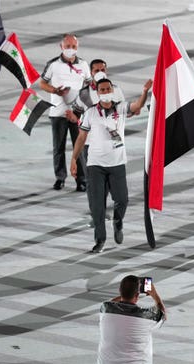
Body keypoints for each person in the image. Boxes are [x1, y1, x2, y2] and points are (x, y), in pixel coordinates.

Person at [70, 78, 151, 253]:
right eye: (102, 90)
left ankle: (118, 221)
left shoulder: (121, 108)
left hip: (117, 162)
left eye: (108, 89)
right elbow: (81, 137)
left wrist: (144, 92)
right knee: (97, 206)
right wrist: (73, 159)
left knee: (122, 200)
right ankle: (100, 240)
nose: (106, 92)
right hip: (95, 164)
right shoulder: (91, 113)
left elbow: (137, 106)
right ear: (97, 93)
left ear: (112, 90)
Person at [40, 33, 91, 192]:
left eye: (73, 46)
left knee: (80, 146)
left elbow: (89, 85)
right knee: (59, 147)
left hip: (78, 113)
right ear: (61, 47)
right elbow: (42, 83)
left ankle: (81, 179)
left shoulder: (83, 65)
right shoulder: (53, 64)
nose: (71, 49)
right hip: (58, 113)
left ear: (77, 47)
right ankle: (60, 178)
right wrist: (55, 90)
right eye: (67, 46)